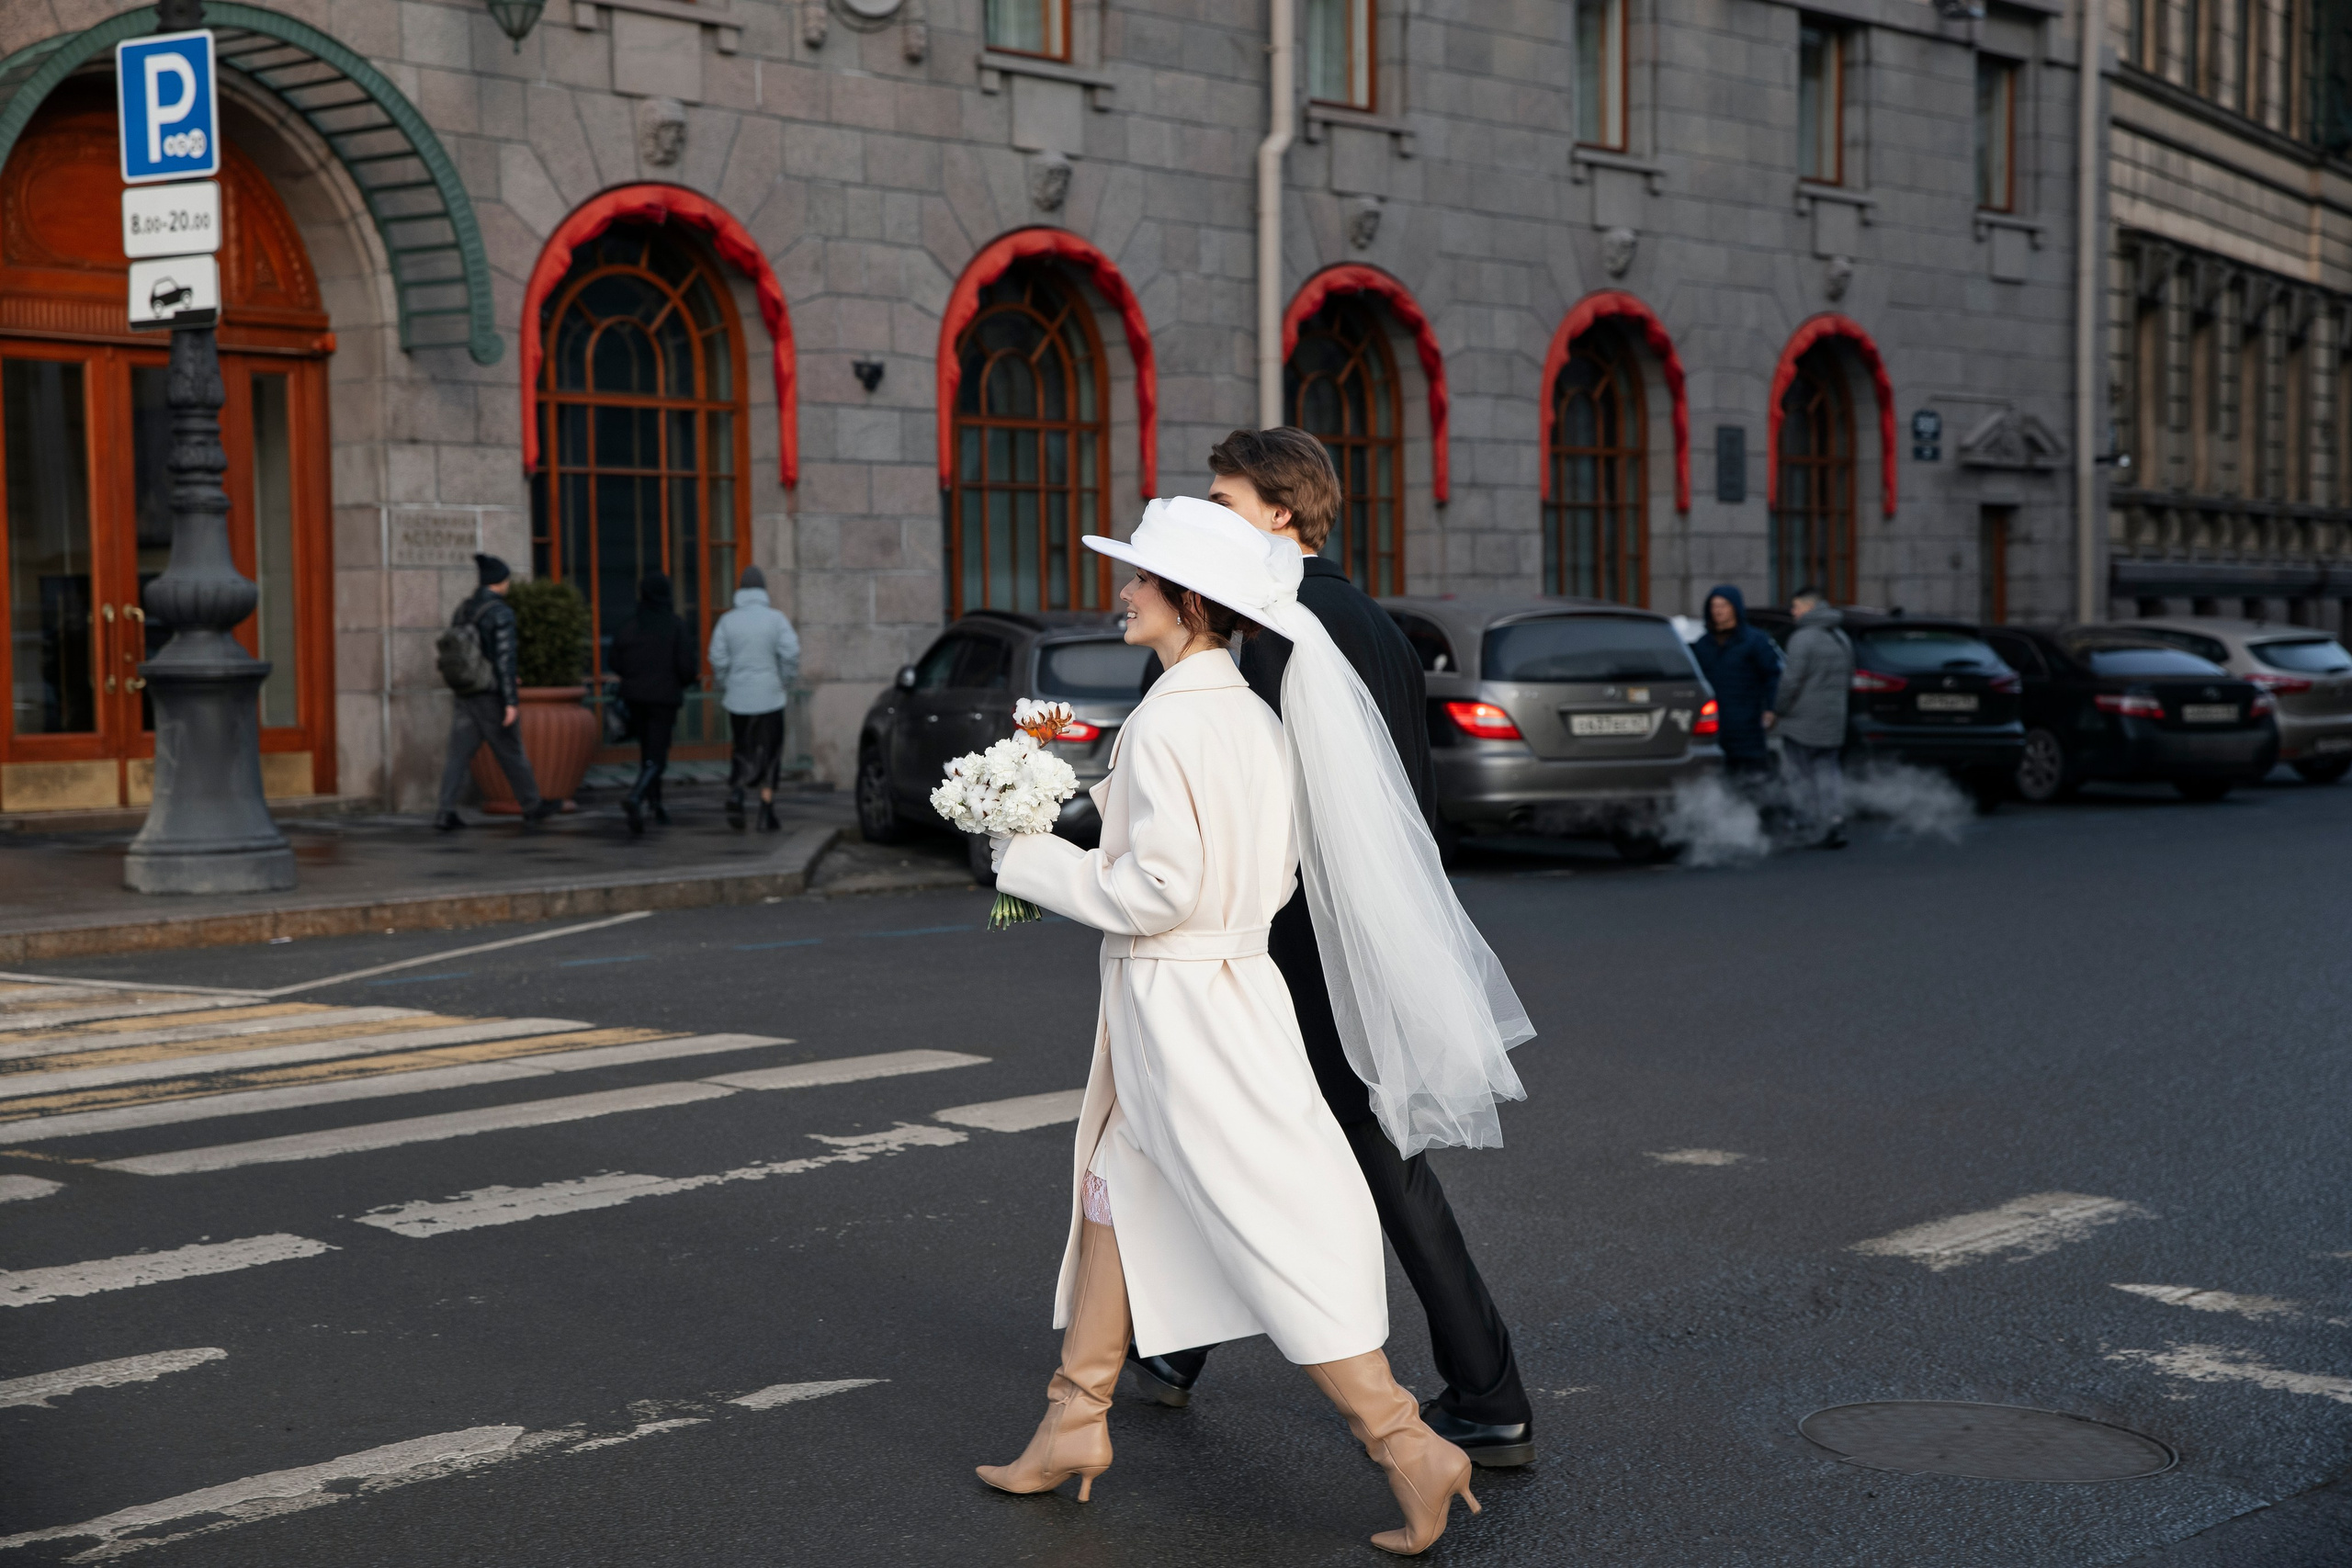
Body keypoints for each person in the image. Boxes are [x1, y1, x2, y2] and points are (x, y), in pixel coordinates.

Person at [981, 497, 1532, 1556]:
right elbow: (1272, 877)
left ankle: (1407, 1444)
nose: (1124, 593)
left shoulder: (1172, 722)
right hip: (1232, 987)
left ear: (1188, 603)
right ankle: (1072, 1418)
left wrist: (1027, 859)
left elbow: (1158, 891)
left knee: (1270, 1227)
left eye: (1141, 580)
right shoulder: (1251, 717)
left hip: (1181, 1006)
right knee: (1114, 1187)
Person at [1114, 428, 1534, 1470]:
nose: (1207, 514)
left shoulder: (1280, 623)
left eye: (1222, 500)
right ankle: (1177, 1351)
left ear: (1279, 513)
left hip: (1296, 940)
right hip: (1364, 928)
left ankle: (1486, 1394)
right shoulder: (1371, 620)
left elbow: (1250, 796)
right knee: (1270, 1139)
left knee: (1320, 1149)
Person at [434, 554, 553, 830]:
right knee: (511, 750)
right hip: (490, 695)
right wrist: (510, 701)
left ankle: (444, 812)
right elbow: (504, 657)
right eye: (507, 579)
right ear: (500, 581)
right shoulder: (500, 612)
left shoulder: (464, 609)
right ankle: (533, 806)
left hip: (466, 690)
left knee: (458, 755)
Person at [708, 565, 800, 832]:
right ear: (763, 589)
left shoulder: (728, 621)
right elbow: (791, 652)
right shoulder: (776, 619)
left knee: (742, 749)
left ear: (740, 590)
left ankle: (737, 793)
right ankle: (765, 810)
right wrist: (784, 680)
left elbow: (717, 657)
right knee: (770, 753)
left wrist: (727, 681)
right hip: (770, 697)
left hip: (738, 698)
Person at [607, 572, 699, 837]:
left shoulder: (630, 626)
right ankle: (637, 797)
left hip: (635, 698)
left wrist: (635, 675)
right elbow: (687, 667)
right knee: (657, 756)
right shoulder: (675, 626)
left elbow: (615, 661)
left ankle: (655, 805)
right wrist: (678, 681)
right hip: (663, 699)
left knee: (648, 752)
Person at [1774, 585, 1854, 849]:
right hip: (1834, 719)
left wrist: (1778, 709)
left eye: (1796, 607)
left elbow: (1790, 682)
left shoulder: (1803, 638)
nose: (1793, 612)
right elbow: (1848, 679)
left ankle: (1807, 825)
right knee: (1828, 773)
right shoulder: (1841, 637)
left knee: (1800, 775)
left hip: (1802, 722)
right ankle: (1834, 821)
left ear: (1809, 608)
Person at [1688, 583, 1783, 792]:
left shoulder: (1754, 641)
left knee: (1755, 778)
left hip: (1748, 723)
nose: (1718, 611)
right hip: (1716, 725)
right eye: (1714, 606)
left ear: (1735, 608)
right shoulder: (1703, 644)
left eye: (1724, 605)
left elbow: (1772, 676)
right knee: (1721, 778)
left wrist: (1771, 708)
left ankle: (1761, 809)